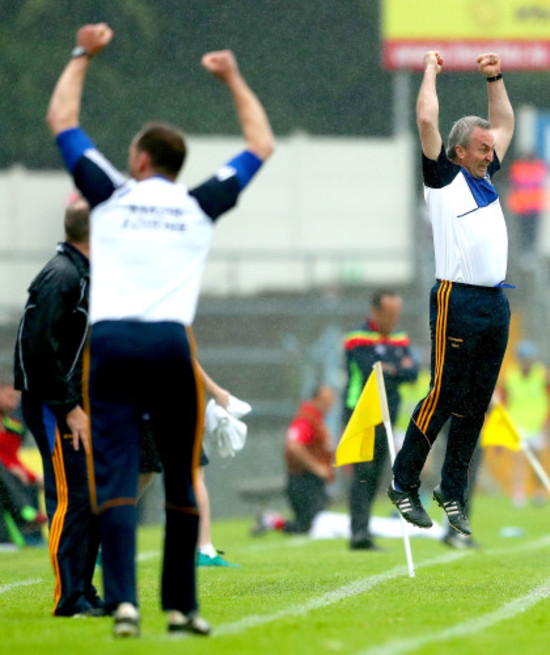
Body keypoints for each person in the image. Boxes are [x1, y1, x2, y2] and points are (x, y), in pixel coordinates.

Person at [46, 23, 274, 638]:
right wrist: (231, 78)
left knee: (115, 476)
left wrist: (82, 55)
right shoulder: (200, 203)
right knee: (181, 473)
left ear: (140, 160)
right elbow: (261, 143)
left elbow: (62, 118)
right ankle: (181, 608)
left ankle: (123, 602)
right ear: (176, 166)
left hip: (113, 346)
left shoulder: (110, 197)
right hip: (170, 346)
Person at [388, 51, 515, 538]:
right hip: (456, 300)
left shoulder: (484, 178)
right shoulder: (443, 178)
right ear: (458, 151)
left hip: (494, 303)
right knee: (442, 395)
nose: (490, 154)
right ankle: (403, 482)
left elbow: (502, 120)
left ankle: (453, 491)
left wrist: (493, 78)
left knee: (474, 404)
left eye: (490, 149)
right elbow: (425, 117)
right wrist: (430, 71)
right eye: (482, 149)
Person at [13, 199, 105, 617]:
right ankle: (69, 598)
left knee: (91, 495)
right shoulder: (63, 275)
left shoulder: (80, 273)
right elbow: (37, 350)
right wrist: (68, 407)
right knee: (71, 496)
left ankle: (84, 591)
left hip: (73, 405)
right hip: (55, 407)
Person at [343, 291, 418, 550]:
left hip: (388, 416)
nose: (394, 320)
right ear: (375, 312)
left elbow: (412, 373)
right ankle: (358, 532)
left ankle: (364, 529)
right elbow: (370, 372)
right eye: (389, 314)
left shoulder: (400, 338)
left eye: (397, 314)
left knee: (376, 474)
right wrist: (395, 367)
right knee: (362, 474)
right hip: (361, 415)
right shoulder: (357, 338)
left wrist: (390, 368)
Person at [502, 340, 550, 507]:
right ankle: (519, 492)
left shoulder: (542, 374)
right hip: (517, 423)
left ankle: (538, 491)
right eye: (523, 358)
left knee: (537, 459)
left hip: (537, 424)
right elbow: (504, 400)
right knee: (520, 459)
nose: (526, 361)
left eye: (528, 358)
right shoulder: (511, 375)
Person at [282, 385, 336, 534]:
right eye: (326, 402)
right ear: (316, 400)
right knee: (313, 525)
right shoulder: (306, 418)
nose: (329, 406)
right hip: (304, 481)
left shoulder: (317, 419)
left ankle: (274, 522)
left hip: (311, 482)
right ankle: (273, 522)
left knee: (308, 525)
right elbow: (294, 445)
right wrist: (317, 467)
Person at [506, 152, 548, 254]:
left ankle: (528, 248)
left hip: (530, 205)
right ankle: (525, 248)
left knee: (530, 229)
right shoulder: (525, 167)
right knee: (525, 228)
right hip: (525, 205)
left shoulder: (521, 167)